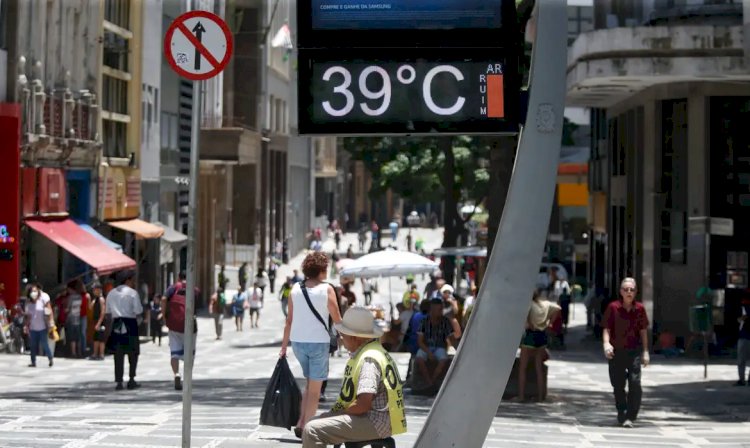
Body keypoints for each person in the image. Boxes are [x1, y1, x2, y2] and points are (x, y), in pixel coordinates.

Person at [301, 307, 407, 448]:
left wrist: (338, 414)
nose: (341, 339)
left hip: (375, 421)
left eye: (343, 335)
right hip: (380, 418)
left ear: (355, 337)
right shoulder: (374, 351)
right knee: (314, 421)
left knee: (312, 430)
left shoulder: (369, 360)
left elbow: (363, 405)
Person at [280, 252, 343, 437]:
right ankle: (308, 428)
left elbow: (289, 321)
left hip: (298, 343)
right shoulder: (327, 289)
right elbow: (337, 319)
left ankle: (301, 422)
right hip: (318, 343)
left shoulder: (295, 289)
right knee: (315, 390)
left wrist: (284, 347)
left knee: (309, 384)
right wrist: (349, 340)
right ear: (322, 270)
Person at [602, 277, 650, 428]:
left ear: (636, 292)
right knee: (618, 384)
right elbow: (606, 329)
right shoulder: (613, 307)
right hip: (616, 352)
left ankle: (631, 415)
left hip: (633, 351)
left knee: (635, 383)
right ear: (621, 292)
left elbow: (643, 331)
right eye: (626, 289)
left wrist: (646, 351)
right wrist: (606, 343)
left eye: (632, 290)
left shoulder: (640, 309)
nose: (629, 292)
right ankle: (621, 411)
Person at [517, 289, 561, 402]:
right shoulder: (546, 304)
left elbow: (525, 318)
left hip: (530, 335)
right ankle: (541, 397)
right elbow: (558, 308)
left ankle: (521, 396)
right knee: (539, 368)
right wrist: (550, 322)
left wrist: (530, 323)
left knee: (523, 368)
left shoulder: (529, 305)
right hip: (542, 336)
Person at [162, 271, 200, 391]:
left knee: (174, 352)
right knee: (190, 353)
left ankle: (176, 374)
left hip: (174, 325)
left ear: (179, 278)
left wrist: (164, 315)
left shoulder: (173, 288)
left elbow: (163, 299)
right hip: (189, 325)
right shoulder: (194, 290)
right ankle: (187, 377)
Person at [106, 270, 143, 391]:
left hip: (117, 323)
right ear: (127, 280)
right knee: (133, 352)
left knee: (118, 353)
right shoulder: (132, 293)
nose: (133, 282)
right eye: (132, 280)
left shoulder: (111, 293)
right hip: (130, 323)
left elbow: (108, 312)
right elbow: (138, 310)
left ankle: (119, 381)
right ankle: (131, 379)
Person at [415, 298, 454, 387]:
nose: (441, 312)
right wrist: (428, 353)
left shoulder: (445, 321)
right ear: (432, 310)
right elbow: (420, 341)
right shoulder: (424, 322)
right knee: (419, 358)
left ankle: (432, 381)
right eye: (439, 310)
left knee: (443, 359)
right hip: (426, 347)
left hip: (440, 347)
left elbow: (451, 338)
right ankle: (428, 381)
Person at [23, 284, 54, 368]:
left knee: (45, 344)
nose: (34, 293)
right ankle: (33, 361)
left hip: (42, 327)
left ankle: (50, 358)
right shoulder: (28, 303)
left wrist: (51, 322)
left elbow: (49, 311)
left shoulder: (42, 301)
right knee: (33, 345)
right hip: (33, 328)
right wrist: (26, 326)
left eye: (35, 291)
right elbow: (28, 316)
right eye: (32, 291)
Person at [89, 283, 107, 360]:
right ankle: (95, 353)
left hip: (100, 321)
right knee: (96, 338)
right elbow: (90, 307)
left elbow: (103, 312)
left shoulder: (101, 299)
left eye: (95, 289)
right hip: (95, 320)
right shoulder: (95, 299)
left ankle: (101, 354)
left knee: (101, 339)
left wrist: (99, 323)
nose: (93, 291)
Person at [735, 296, 750, 386]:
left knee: (741, 360)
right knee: (741, 360)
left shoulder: (744, 309)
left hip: (744, 336)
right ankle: (742, 379)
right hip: (744, 336)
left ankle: (742, 380)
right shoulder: (742, 309)